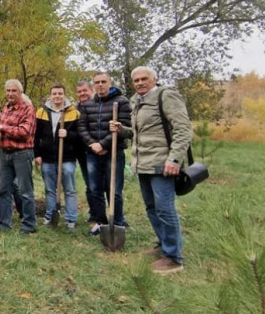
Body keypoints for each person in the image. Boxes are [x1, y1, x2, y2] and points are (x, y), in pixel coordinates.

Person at [111, 66, 191, 275]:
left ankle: (174, 258)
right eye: (135, 80)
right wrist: (123, 130)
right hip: (142, 164)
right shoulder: (137, 101)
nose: (139, 83)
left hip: (162, 163)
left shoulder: (166, 96)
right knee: (151, 207)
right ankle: (163, 245)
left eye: (144, 79)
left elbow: (183, 129)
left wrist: (174, 159)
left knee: (165, 209)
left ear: (154, 78)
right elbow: (141, 133)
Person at [77, 72, 132, 235]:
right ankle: (101, 222)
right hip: (93, 153)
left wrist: (103, 144)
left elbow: (124, 126)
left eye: (103, 81)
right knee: (95, 189)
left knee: (114, 189)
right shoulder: (88, 105)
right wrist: (93, 144)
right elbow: (82, 127)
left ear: (110, 83)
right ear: (94, 85)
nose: (100, 85)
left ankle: (118, 223)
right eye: (97, 82)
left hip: (114, 152)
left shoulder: (121, 102)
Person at [0, 79, 38, 234]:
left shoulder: (28, 109)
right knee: (4, 190)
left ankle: (29, 225)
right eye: (8, 91)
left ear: (20, 92)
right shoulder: (5, 108)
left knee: (25, 191)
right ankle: (5, 224)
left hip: (22, 154)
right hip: (5, 154)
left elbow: (25, 132)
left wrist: (3, 128)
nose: (10, 94)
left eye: (14, 91)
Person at [34, 82, 81, 229]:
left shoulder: (74, 113)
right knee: (49, 189)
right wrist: (37, 154)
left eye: (60, 93)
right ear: (50, 95)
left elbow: (80, 135)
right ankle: (50, 216)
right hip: (47, 157)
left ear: (64, 95)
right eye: (54, 94)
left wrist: (68, 134)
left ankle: (71, 219)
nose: (57, 96)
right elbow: (36, 136)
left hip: (67, 157)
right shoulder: (41, 112)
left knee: (69, 189)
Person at [75, 81, 95, 224]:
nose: (82, 94)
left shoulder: (98, 104)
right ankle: (94, 213)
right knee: (90, 183)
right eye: (79, 91)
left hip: (98, 149)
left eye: (85, 90)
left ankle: (117, 216)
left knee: (105, 184)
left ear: (91, 90)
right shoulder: (76, 109)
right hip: (82, 151)